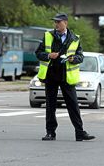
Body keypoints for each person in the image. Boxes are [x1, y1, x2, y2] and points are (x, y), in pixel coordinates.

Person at [35, 13, 95, 141]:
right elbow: (38, 53)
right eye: (55, 22)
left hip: (66, 75)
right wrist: (48, 55)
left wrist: (74, 59)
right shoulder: (48, 36)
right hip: (51, 74)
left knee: (73, 105)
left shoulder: (75, 38)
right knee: (50, 105)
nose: (56, 24)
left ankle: (80, 132)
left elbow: (81, 56)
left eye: (59, 22)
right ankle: (50, 132)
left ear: (65, 23)